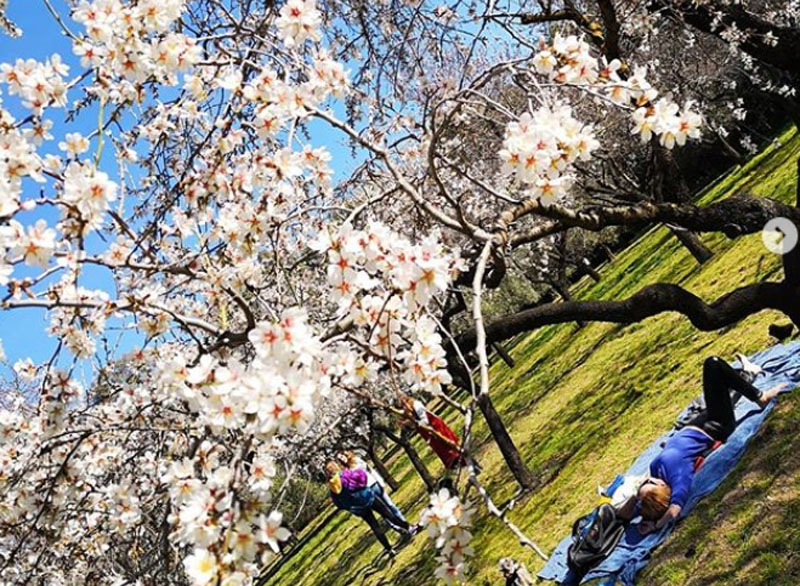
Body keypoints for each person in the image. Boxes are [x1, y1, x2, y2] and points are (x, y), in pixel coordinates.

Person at [622, 356, 786, 533]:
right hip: (716, 425)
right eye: (649, 483)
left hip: (693, 425)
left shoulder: (648, 494)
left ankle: (749, 372)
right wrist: (656, 524)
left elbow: (623, 516)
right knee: (713, 364)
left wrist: (634, 495)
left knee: (722, 392)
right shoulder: (679, 475)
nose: (647, 479)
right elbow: (675, 510)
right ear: (661, 487)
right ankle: (761, 397)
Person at [324, 460, 414, 555]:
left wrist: (351, 507)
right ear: (335, 467)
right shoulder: (345, 475)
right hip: (368, 497)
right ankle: (408, 527)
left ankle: (389, 549)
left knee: (375, 526)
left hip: (359, 508)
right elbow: (362, 478)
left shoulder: (332, 488)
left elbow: (339, 504)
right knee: (388, 515)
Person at [336, 451, 414, 534]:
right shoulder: (346, 472)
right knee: (385, 512)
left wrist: (380, 481)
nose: (343, 459)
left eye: (343, 456)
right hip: (368, 491)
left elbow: (370, 470)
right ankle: (400, 529)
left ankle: (405, 524)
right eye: (340, 459)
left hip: (375, 484)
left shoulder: (357, 460)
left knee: (390, 505)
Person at [399, 394, 465, 472]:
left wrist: (418, 423)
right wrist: (405, 423)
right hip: (427, 432)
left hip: (435, 426)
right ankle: (453, 464)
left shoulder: (416, 404)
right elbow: (414, 426)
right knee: (440, 448)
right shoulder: (409, 412)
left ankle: (460, 458)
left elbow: (425, 420)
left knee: (446, 443)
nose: (404, 407)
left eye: (404, 404)